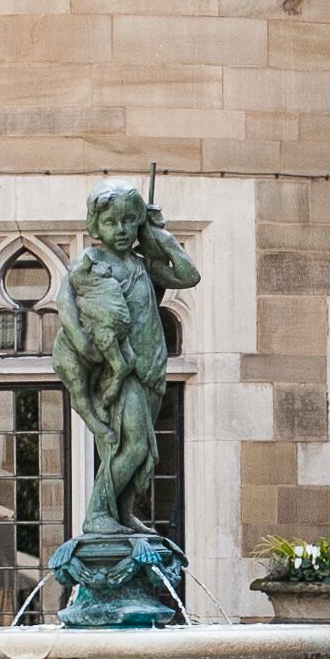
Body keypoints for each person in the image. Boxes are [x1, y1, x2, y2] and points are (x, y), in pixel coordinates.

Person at [53, 182, 200, 538]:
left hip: (150, 366)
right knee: (131, 444)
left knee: (144, 445)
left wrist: (158, 236)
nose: (120, 230)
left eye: (129, 221)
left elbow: (189, 275)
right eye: (111, 222)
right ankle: (97, 513)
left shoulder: (142, 266)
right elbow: (65, 305)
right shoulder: (90, 263)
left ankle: (122, 512)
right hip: (119, 369)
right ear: (96, 225)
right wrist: (83, 344)